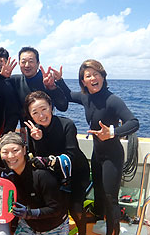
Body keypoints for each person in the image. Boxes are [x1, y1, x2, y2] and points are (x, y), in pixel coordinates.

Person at [53, 60, 140, 235]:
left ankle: (112, 232)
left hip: (112, 156)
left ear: (102, 76)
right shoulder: (86, 97)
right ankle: (99, 217)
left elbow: (133, 122)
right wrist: (59, 81)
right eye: (88, 75)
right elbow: (69, 95)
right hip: (97, 154)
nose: (93, 78)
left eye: (96, 74)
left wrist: (113, 132)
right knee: (99, 192)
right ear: (83, 81)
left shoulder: (112, 100)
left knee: (110, 198)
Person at [23, 91, 90, 235]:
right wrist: (38, 140)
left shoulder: (67, 124)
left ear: (51, 107)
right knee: (57, 207)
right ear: (30, 115)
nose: (41, 116)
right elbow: (38, 160)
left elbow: (71, 154)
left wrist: (47, 161)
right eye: (35, 112)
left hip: (76, 172)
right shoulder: (33, 130)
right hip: (53, 174)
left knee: (75, 209)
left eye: (44, 109)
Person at [0, 132, 69, 234]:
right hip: (28, 224)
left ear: (24, 150)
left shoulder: (41, 175)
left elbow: (56, 208)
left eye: (15, 150)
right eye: (5, 152)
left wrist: (30, 213)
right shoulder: (7, 176)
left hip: (54, 227)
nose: (10, 156)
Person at [5, 47, 68, 136]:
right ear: (19, 64)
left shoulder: (47, 80)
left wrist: (52, 88)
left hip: (49, 131)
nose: (27, 65)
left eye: (31, 61)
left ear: (38, 63)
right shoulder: (14, 81)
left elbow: (63, 107)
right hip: (29, 133)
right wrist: (3, 78)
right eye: (23, 62)